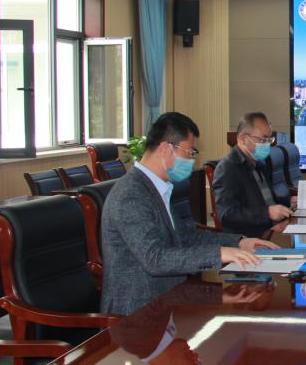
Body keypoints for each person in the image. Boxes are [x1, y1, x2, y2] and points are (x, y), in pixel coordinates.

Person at [100, 112, 275, 315]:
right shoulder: (131, 195)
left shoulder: (156, 188)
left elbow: (185, 237)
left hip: (170, 301)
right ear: (166, 149)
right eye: (190, 152)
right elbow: (155, 259)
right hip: (137, 315)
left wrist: (239, 243)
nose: (192, 160)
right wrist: (219, 254)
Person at [213, 112, 295, 237]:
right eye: (262, 140)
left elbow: (267, 200)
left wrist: (289, 201)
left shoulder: (258, 163)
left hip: (273, 230)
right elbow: (227, 214)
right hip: (251, 237)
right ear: (242, 139)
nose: (267, 144)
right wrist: (267, 213)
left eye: (269, 140)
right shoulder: (227, 168)